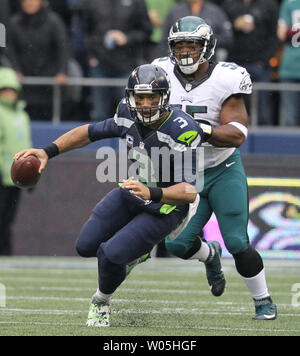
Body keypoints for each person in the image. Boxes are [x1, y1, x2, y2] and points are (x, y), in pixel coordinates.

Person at [14, 64, 223, 327]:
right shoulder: (126, 113)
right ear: (130, 97)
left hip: (166, 205)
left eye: (152, 98)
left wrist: (152, 192)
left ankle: (101, 302)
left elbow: (189, 191)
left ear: (164, 98)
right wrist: (47, 151)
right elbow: (88, 133)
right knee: (85, 246)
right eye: (140, 97)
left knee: (112, 254)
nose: (145, 104)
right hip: (134, 191)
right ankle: (143, 250)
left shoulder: (181, 129)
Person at [151, 16, 277, 320]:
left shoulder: (226, 78)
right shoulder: (160, 73)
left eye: (192, 46)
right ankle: (210, 256)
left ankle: (263, 300)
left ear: (207, 47)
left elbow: (237, 133)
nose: (185, 53)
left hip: (222, 168)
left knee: (236, 240)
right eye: (179, 46)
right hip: (183, 174)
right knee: (177, 244)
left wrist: (202, 131)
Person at [81, 0, 153, 122]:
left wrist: (127, 38)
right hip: (100, 65)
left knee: (130, 113)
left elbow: (147, 31)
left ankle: (132, 141)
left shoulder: (137, 2)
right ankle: (101, 142)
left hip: (127, 65)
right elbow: (84, 30)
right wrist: (91, 55)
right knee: (99, 115)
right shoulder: (91, 2)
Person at [7, 0, 69, 121]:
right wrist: (16, 70)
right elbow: (11, 51)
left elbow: (63, 48)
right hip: (24, 84)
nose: (29, 3)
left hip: (49, 84)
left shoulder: (54, 21)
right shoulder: (14, 23)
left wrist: (62, 72)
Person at [222, 0, 279, 126]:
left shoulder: (269, 4)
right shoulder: (229, 4)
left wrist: (264, 61)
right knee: (232, 108)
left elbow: (274, 36)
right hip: (234, 65)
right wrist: (233, 25)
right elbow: (219, 31)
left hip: (260, 64)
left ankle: (265, 143)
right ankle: (232, 140)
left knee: (262, 108)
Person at [0, 67, 32, 255]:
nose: (8, 94)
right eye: (4, 90)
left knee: (8, 218)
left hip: (15, 176)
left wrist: (31, 171)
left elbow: (26, 144)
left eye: (11, 90)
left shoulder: (22, 114)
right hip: (2, 174)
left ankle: (5, 253)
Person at [158, 0, 233, 60]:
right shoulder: (174, 11)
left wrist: (205, 39)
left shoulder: (216, 11)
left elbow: (227, 38)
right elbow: (165, 39)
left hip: (208, 61)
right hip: (180, 59)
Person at [277, 0, 300, 126]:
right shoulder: (289, 3)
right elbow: (281, 34)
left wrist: (292, 32)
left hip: (290, 66)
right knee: (290, 119)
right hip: (290, 67)